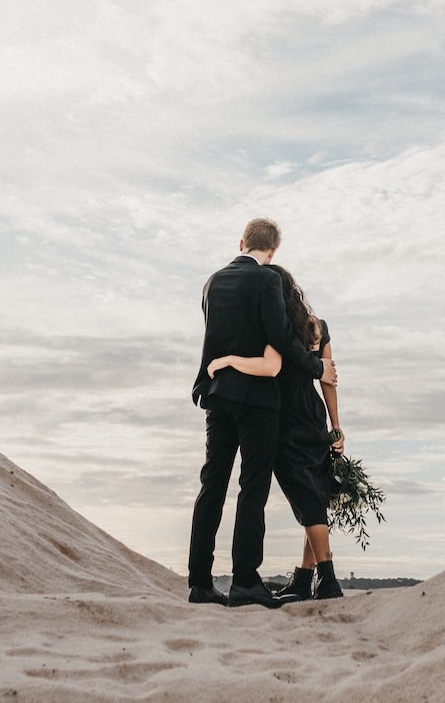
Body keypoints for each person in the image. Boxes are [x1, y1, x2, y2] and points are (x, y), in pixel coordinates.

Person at [186, 218, 335, 608]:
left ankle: (200, 583)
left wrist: (214, 373)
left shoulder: (212, 282)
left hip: (217, 394)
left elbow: (213, 339)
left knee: (212, 485)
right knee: (252, 488)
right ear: (273, 252)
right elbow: (281, 338)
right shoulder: (267, 280)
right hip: (257, 400)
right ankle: (245, 582)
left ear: (241, 242)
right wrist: (317, 367)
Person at [210, 266, 345, 601]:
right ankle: (304, 577)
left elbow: (269, 367)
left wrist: (226, 360)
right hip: (313, 414)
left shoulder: (276, 329)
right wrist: (336, 426)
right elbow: (328, 379)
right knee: (315, 493)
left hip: (284, 418)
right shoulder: (317, 327)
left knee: (307, 498)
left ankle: (328, 581)